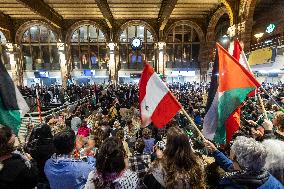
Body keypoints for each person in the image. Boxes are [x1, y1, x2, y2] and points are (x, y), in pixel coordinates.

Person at [204, 136, 284, 189]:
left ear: (235, 158)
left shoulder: (232, 186)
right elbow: (231, 166)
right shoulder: (271, 180)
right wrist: (215, 151)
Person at [26, 123, 54, 189]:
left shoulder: (35, 146)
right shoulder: (54, 142)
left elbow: (27, 147)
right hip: (51, 172)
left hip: (41, 173)